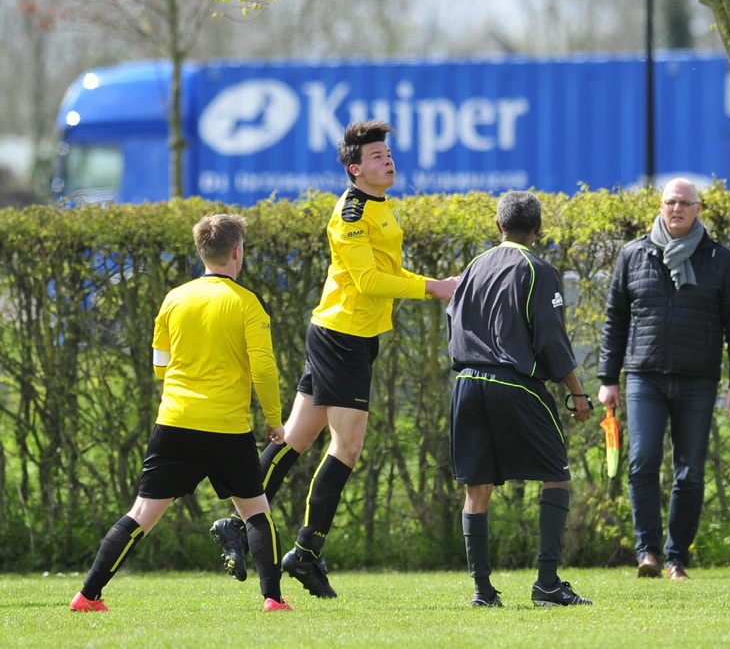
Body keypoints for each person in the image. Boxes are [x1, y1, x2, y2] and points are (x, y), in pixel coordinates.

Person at [210, 120, 458, 598]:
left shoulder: (382, 207)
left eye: (388, 152)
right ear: (354, 169)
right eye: (377, 156)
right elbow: (366, 282)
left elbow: (385, 271)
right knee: (346, 447)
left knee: (297, 437)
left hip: (352, 335)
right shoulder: (349, 212)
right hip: (340, 335)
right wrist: (432, 288)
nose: (387, 159)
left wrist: (433, 283)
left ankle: (239, 527)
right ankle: (305, 553)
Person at [70, 214, 292, 613]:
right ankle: (273, 599)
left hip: (174, 421)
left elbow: (160, 365)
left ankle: (87, 595)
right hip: (226, 427)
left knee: (141, 514)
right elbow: (264, 368)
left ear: (201, 252)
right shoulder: (247, 303)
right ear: (237, 252)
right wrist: (274, 419)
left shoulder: (174, 298)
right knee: (256, 511)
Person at [597, 178, 730, 581]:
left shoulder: (721, 260)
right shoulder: (634, 254)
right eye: (670, 202)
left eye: (685, 203)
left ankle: (675, 559)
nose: (677, 209)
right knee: (643, 461)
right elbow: (615, 319)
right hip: (643, 377)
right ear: (661, 206)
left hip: (698, 379)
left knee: (690, 472)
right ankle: (647, 552)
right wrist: (607, 378)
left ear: (699, 209)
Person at [447, 190, 594, 608]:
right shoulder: (538, 268)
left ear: (498, 227)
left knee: (476, 488)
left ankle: (482, 592)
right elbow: (551, 339)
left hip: (466, 383)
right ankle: (547, 584)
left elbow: (452, 322)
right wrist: (577, 394)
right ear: (538, 229)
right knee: (556, 474)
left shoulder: (473, 266)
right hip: (512, 382)